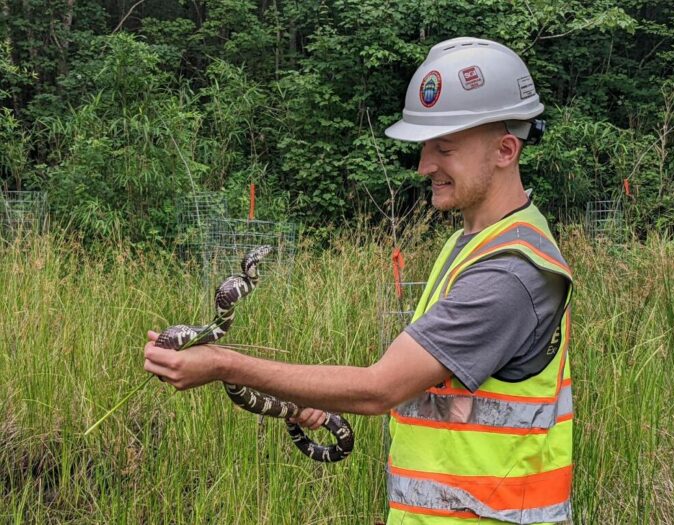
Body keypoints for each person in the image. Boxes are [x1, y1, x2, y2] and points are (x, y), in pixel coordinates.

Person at [144, 36, 573, 524]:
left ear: (505, 150)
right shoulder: (473, 245)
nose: (425, 165)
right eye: (425, 145)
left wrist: (222, 364)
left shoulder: (509, 273)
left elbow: (378, 388)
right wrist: (306, 403)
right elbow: (439, 398)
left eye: (444, 148)